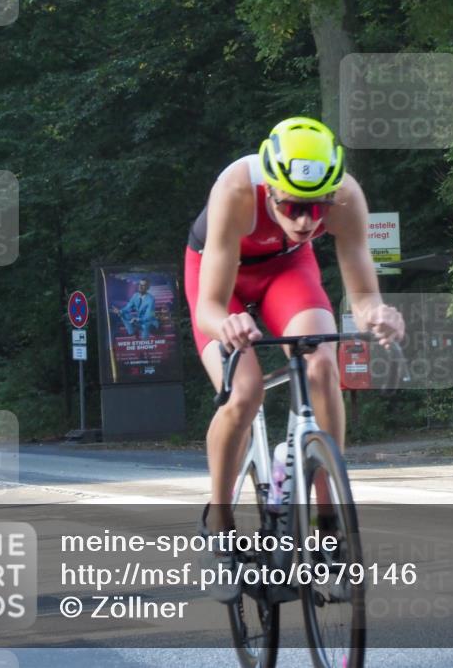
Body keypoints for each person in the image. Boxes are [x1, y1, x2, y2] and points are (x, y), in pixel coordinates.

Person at [185, 116, 405, 600]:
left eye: (316, 208)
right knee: (243, 393)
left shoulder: (345, 196)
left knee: (323, 361)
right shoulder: (236, 189)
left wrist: (378, 313)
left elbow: (364, 293)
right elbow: (209, 306)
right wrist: (227, 323)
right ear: (270, 192)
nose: (306, 221)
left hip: (286, 272)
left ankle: (329, 522)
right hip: (221, 282)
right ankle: (219, 525)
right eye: (292, 207)